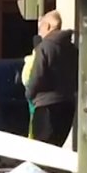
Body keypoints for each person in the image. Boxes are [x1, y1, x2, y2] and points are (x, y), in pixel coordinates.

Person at [25, 11, 77, 146]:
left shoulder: (45, 47)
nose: (39, 32)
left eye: (40, 27)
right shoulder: (72, 49)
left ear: (47, 26)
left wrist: (29, 93)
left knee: (41, 149)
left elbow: (37, 75)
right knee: (56, 147)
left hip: (46, 106)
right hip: (68, 106)